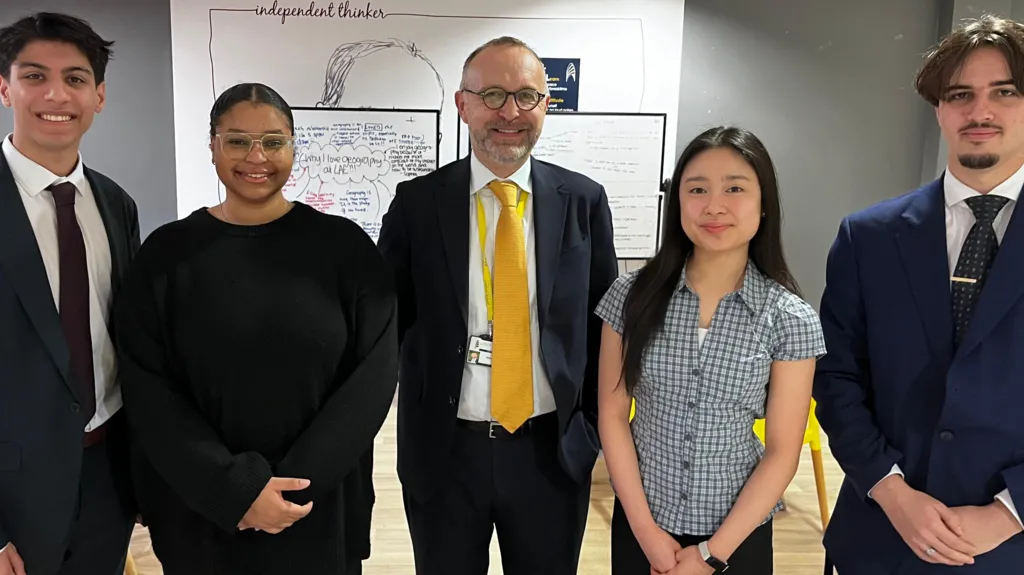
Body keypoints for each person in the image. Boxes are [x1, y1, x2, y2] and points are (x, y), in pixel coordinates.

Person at [112, 82, 398, 575]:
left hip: (315, 509)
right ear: (213, 147)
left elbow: (371, 381)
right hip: (202, 510)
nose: (256, 156)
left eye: (273, 141)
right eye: (238, 140)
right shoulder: (165, 256)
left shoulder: (345, 250)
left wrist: (292, 486)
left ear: (293, 146)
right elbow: (149, 390)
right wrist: (236, 491)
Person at [377, 36, 619, 575]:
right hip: (444, 453)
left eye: (527, 96)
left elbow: (607, 329)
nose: (510, 112)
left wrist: (593, 434)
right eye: (492, 94)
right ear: (462, 105)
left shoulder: (584, 202)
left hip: (550, 454)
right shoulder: (416, 205)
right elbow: (385, 325)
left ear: (546, 106)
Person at [814, 14, 1024, 575]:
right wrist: (890, 491)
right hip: (880, 538)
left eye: (1004, 92)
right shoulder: (869, 236)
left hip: (1011, 548)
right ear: (939, 108)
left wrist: (1010, 512)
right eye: (961, 94)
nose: (980, 112)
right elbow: (836, 378)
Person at [595, 126, 826, 575]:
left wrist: (711, 554)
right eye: (697, 189)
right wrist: (646, 533)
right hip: (645, 526)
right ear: (678, 202)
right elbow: (612, 413)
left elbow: (782, 451)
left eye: (735, 189)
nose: (714, 206)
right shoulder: (630, 296)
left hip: (736, 535)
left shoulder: (790, 318)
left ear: (763, 205)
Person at [0, 12, 139, 575]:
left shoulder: (115, 203)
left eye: (76, 79)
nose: (56, 94)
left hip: (108, 476)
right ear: (4, 86)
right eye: (35, 76)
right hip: (11, 493)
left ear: (99, 96)